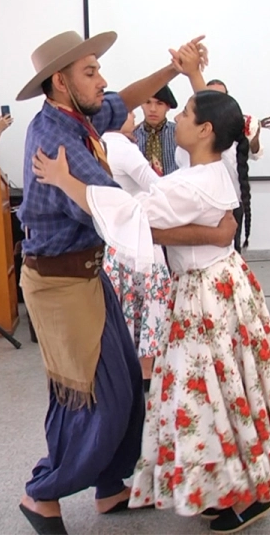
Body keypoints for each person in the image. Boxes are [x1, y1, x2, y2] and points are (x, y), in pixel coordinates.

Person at [32, 89, 270, 534]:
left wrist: (66, 181)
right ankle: (237, 484)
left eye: (185, 112)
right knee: (229, 388)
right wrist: (213, 233)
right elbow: (172, 211)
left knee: (212, 392)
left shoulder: (192, 180)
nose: (174, 117)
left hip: (206, 296)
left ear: (205, 130)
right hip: (223, 285)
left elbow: (133, 216)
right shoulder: (212, 167)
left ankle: (249, 493)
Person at [14, 30, 237, 535]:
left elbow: (124, 100)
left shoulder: (76, 114)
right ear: (60, 81)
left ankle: (112, 487)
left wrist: (175, 71)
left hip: (90, 275)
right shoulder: (57, 136)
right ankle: (40, 495)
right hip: (61, 282)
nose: (103, 81)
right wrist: (214, 232)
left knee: (131, 391)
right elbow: (121, 213)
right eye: (90, 72)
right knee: (97, 398)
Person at [100, 111, 171, 388]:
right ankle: (144, 371)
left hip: (111, 240)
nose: (136, 116)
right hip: (137, 239)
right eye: (130, 112)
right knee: (145, 306)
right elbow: (158, 187)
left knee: (122, 306)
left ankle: (120, 369)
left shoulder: (96, 144)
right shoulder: (122, 147)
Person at [175, 72, 265, 251]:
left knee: (231, 251)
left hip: (230, 202)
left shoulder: (232, 138)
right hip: (198, 203)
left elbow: (255, 153)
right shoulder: (187, 144)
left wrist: (254, 135)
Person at [133, 85, 179, 176]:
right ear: (141, 105)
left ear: (168, 106)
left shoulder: (179, 133)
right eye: (148, 102)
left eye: (159, 103)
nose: (152, 109)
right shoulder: (132, 136)